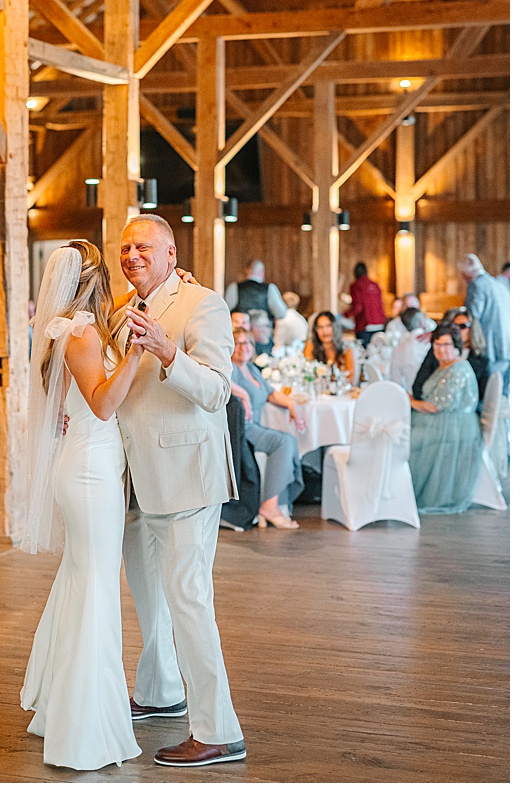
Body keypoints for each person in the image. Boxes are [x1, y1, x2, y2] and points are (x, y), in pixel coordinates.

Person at [113, 215, 244, 768]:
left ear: (171, 253)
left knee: (188, 599)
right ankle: (162, 688)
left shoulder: (202, 303)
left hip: (187, 473)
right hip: (133, 479)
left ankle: (218, 729)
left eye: (143, 246)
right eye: (125, 247)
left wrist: (170, 352)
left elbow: (218, 391)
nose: (132, 254)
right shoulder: (121, 310)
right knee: (149, 598)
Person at [19, 240, 147, 770]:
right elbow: (101, 404)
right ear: (94, 280)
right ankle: (84, 726)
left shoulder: (67, 328)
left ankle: (58, 705)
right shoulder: (81, 333)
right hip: (91, 473)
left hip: (85, 468)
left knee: (80, 581)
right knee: (95, 589)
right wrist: (139, 352)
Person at [228, 328, 303, 529]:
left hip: (256, 427)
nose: (242, 348)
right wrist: (243, 393)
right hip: (242, 429)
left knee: (289, 440)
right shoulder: (231, 367)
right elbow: (222, 380)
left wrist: (290, 404)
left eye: (246, 343)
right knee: (285, 441)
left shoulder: (252, 369)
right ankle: (270, 506)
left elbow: (271, 393)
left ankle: (275, 504)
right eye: (237, 343)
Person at [409, 325, 483, 514]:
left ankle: (405, 493)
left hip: (453, 424)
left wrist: (409, 400)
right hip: (438, 419)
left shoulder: (458, 369)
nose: (441, 349)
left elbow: (435, 406)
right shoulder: (444, 365)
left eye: (446, 345)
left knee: (407, 441)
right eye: (437, 344)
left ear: (456, 346)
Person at [411, 309, 489, 408]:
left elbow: (481, 398)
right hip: (429, 407)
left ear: (472, 330)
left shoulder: (481, 361)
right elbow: (418, 386)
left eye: (462, 326)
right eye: (454, 326)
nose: (458, 330)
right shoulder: (436, 353)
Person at [459, 254, 509, 396]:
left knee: (487, 395)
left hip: (491, 348)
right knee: (501, 396)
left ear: (467, 274)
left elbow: (471, 317)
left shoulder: (477, 285)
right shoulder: (498, 284)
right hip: (507, 347)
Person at [223, 260, 287, 326]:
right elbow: (281, 313)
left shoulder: (234, 287)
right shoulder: (270, 288)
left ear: (247, 270)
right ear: (262, 272)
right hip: (262, 332)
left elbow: (225, 312)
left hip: (240, 330)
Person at [390, 309, 434, 393]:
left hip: (410, 395)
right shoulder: (431, 344)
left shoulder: (398, 349)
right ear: (422, 322)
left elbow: (396, 380)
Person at [304, 310, 354, 380]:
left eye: (329, 326)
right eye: (320, 327)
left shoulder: (346, 349)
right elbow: (306, 373)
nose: (325, 331)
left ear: (335, 327)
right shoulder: (311, 346)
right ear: (316, 330)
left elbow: (350, 379)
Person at [348, 263, 387, 347]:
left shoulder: (356, 286)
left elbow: (358, 307)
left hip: (365, 325)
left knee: (364, 354)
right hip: (379, 324)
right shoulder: (375, 285)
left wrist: (345, 315)